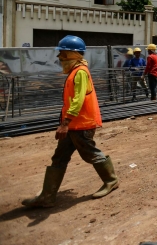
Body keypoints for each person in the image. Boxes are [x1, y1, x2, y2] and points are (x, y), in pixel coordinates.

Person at [22, 35, 118, 208]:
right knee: (59, 157)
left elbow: (78, 100)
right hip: (74, 124)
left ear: (74, 55)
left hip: (80, 124)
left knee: (90, 153)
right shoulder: (75, 71)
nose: (60, 58)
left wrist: (65, 122)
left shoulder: (80, 72)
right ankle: (47, 196)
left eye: (63, 54)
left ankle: (111, 180)